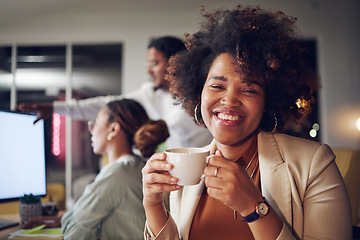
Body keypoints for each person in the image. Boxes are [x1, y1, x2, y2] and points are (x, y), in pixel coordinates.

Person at [141, 6, 352, 240]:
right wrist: (153, 205)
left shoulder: (314, 164)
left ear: (267, 101)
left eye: (249, 89)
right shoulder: (189, 167)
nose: (229, 100)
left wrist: (254, 207)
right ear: (198, 94)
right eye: (217, 86)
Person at [15, 36, 212, 149]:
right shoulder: (149, 95)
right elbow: (105, 105)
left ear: (174, 62)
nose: (148, 70)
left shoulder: (201, 91)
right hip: (180, 175)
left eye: (154, 63)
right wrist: (55, 107)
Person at [25, 99, 169, 240]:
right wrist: (65, 216)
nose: (91, 130)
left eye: (95, 123)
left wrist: (69, 219)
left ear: (113, 129)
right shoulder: (138, 166)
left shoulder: (117, 172)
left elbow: (74, 233)